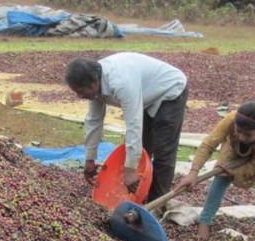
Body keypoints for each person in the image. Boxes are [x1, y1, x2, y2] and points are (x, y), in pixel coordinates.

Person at [65, 53, 187, 203]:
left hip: (169, 90)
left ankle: (156, 203)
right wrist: (89, 159)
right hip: (145, 96)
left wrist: (130, 170)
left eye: (81, 92)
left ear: (94, 83)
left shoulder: (121, 83)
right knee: (140, 150)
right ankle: (137, 195)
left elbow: (133, 125)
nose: (79, 96)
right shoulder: (95, 84)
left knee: (163, 150)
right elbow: (94, 120)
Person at [173, 101, 255, 239]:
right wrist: (193, 172)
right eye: (239, 131)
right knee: (221, 174)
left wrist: (234, 172)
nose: (242, 137)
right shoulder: (230, 120)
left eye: (248, 135)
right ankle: (205, 220)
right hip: (234, 146)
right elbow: (209, 144)